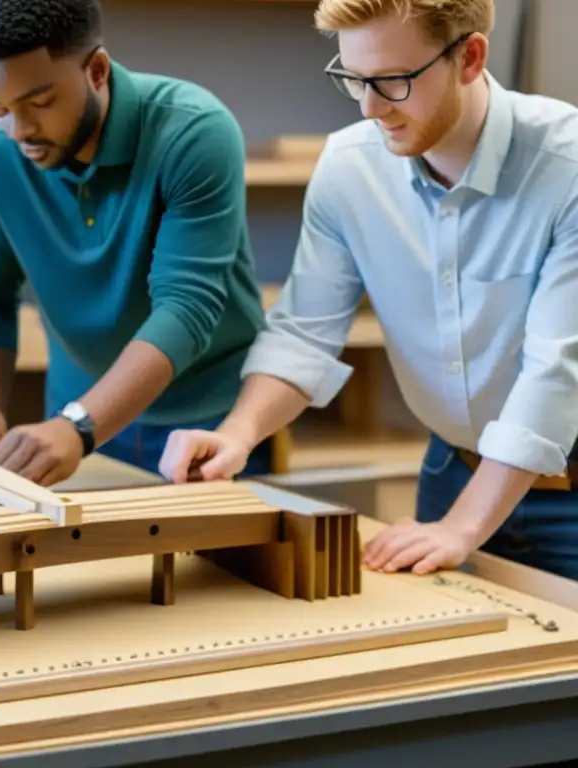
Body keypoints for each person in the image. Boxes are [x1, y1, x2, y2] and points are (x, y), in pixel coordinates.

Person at [158, 0, 578, 581]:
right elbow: (303, 334)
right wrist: (238, 434)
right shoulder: (349, 168)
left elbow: (554, 371)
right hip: (453, 472)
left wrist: (461, 527)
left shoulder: (567, 166)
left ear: (470, 58)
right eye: (354, 79)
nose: (370, 106)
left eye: (393, 82)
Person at [0, 0, 273, 486]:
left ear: (97, 70)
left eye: (39, 104)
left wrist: (80, 424)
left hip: (207, 422)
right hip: (76, 419)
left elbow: (186, 307)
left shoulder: (194, 131)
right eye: (0, 109)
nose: (20, 131)